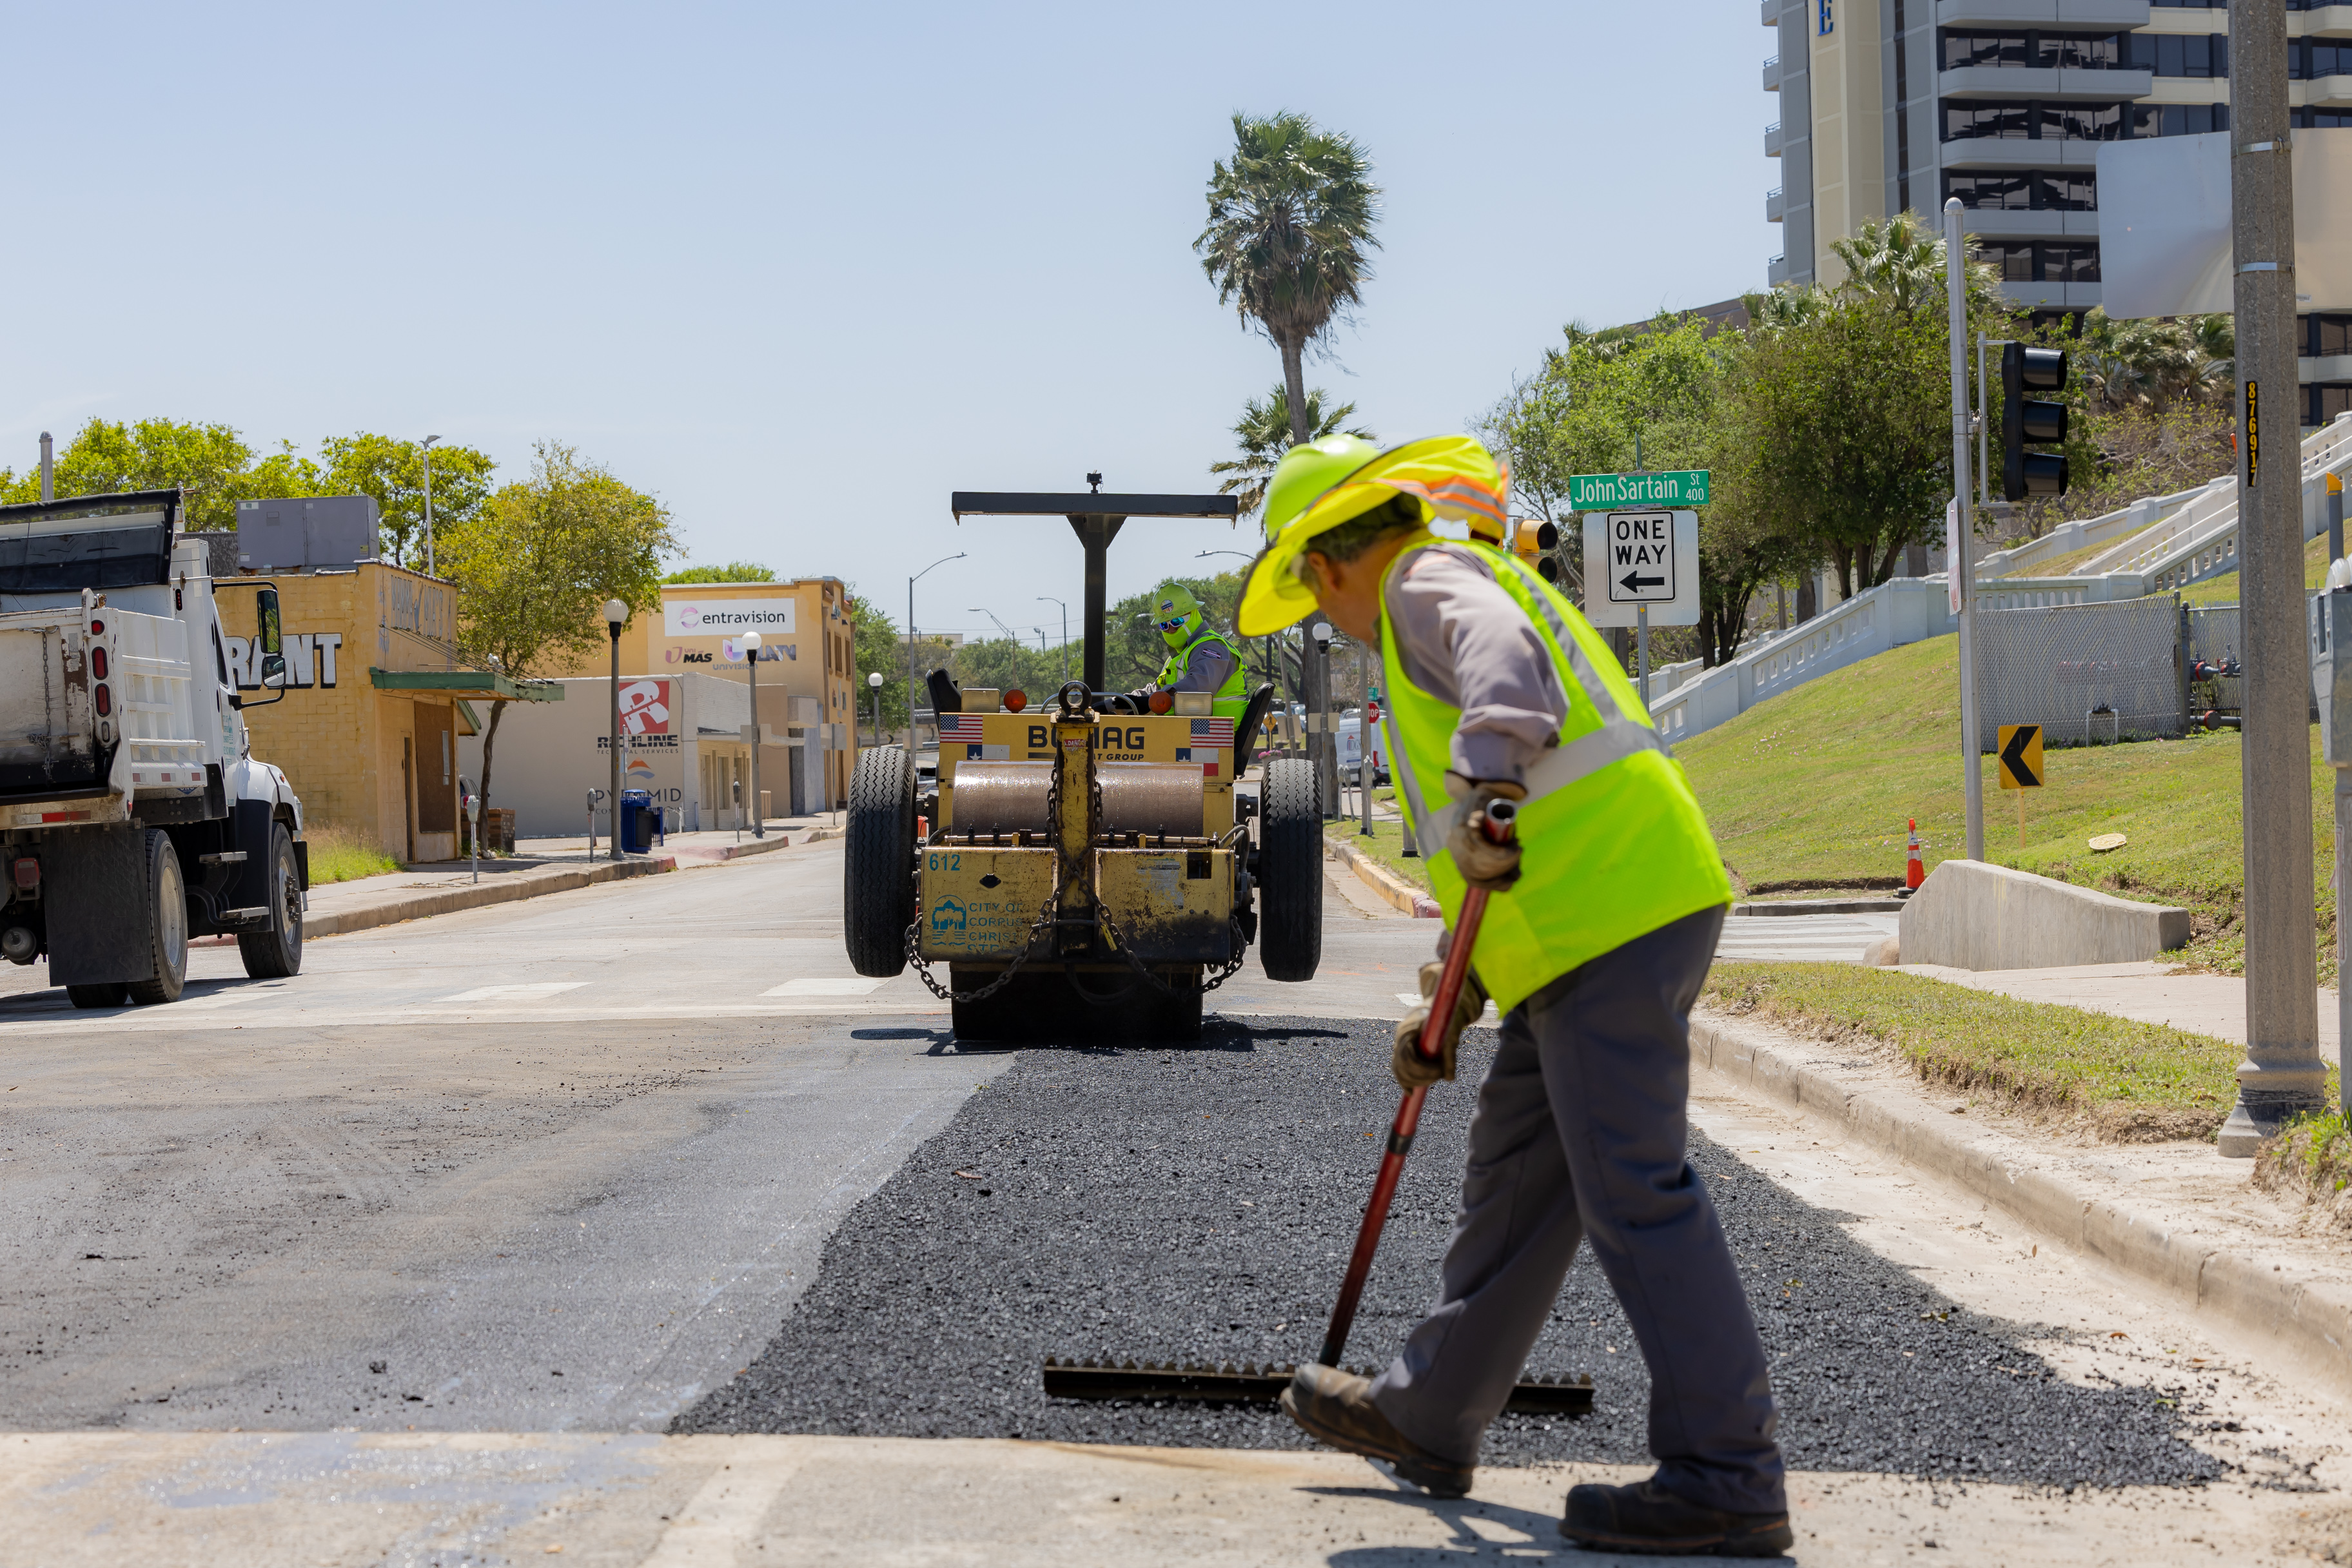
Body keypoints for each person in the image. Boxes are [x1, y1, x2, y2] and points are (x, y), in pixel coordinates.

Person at [1235, 433, 1790, 1558]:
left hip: (1610, 918)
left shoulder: (1421, 580)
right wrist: (1450, 998)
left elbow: (1505, 676)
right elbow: (1479, 858)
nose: (1321, 617)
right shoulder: (1429, 580)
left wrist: (1489, 782)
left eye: (1307, 594)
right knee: (1516, 1178)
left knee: (1635, 1191)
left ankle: (1725, 1473)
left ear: (1329, 565)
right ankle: (1428, 1412)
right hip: (1585, 925)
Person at [1131, 583, 1250, 719]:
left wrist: (1155, 700)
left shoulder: (1211, 647)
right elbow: (1156, 689)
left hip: (1212, 733)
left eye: (1177, 621)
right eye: (1164, 625)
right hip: (1188, 730)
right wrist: (1123, 702)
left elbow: (1199, 687)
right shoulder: (1178, 657)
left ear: (1193, 613)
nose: (1171, 629)